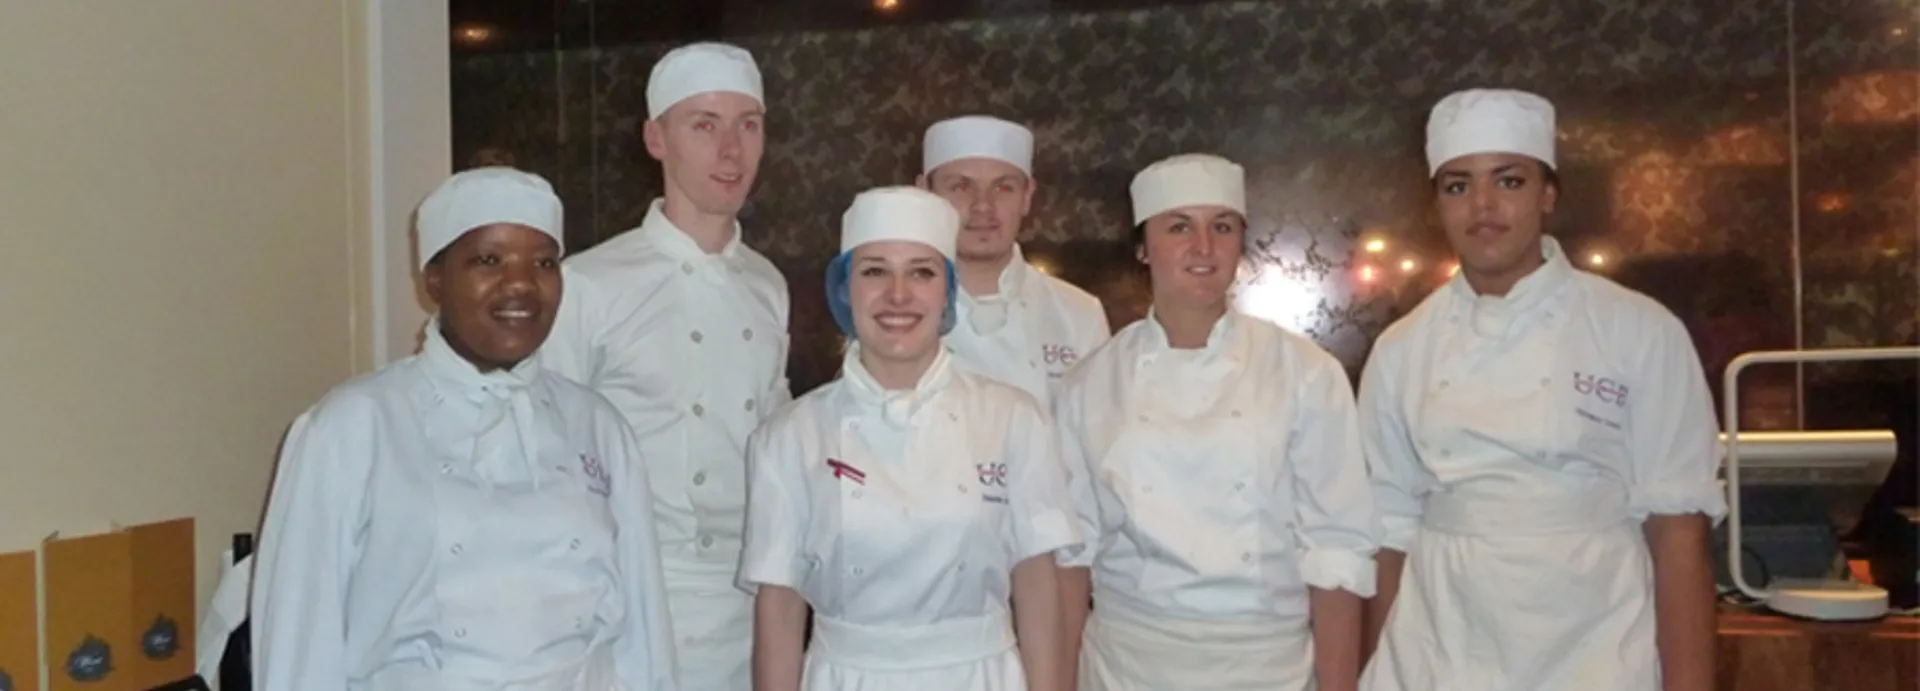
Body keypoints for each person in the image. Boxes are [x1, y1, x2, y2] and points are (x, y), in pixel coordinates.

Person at [250, 167, 676, 691]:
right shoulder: (352, 427)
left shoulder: (599, 426)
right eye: (488, 260)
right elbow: (298, 646)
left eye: (543, 262)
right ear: (434, 279)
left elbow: (644, 641)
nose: (520, 284)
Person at [1358, 89, 1723, 691]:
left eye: (1509, 181)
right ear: (1437, 205)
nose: (1483, 205)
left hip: (1597, 647)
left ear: (1548, 194)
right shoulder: (1402, 348)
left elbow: (1679, 530)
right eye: (1457, 185)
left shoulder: (1639, 330)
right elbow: (1389, 531)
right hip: (1439, 647)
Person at [1055, 153, 1377, 691]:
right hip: (1128, 665)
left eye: (1222, 227)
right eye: (1179, 227)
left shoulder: (1304, 373)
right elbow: (1071, 559)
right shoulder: (1089, 384)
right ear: (1143, 247)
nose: (1203, 247)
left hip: (1268, 664)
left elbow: (1337, 549)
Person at [740, 186, 1078, 691]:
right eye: (874, 271)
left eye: (922, 272)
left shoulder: (1013, 419)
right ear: (844, 290)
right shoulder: (789, 437)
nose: (898, 295)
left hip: (981, 676)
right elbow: (779, 609)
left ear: (948, 292)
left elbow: (1036, 586)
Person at [539, 42, 789, 691]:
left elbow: (780, 445)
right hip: (632, 603)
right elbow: (546, 459)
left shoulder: (768, 285)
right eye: (704, 125)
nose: (731, 151)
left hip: (748, 605)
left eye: (748, 125)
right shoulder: (589, 284)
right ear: (656, 138)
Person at [916, 115, 1110, 402]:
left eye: (1003, 187)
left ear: (1027, 196)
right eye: (961, 187)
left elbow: (1098, 424)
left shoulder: (1079, 315)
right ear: (924, 192)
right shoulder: (897, 311)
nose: (983, 206)